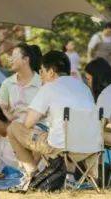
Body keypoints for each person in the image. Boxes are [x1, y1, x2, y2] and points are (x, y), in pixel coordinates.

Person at [5, 50, 96, 179]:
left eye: (42, 71)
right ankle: (62, 175)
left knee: (13, 128)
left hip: (61, 147)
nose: (40, 75)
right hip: (90, 146)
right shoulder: (84, 88)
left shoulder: (49, 87)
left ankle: (32, 174)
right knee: (46, 133)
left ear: (51, 72)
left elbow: (28, 123)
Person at [0, 43, 41, 123]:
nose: (10, 60)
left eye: (14, 57)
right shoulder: (7, 83)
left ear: (26, 59)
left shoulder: (42, 83)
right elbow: (0, 108)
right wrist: (9, 117)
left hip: (37, 129)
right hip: (14, 128)